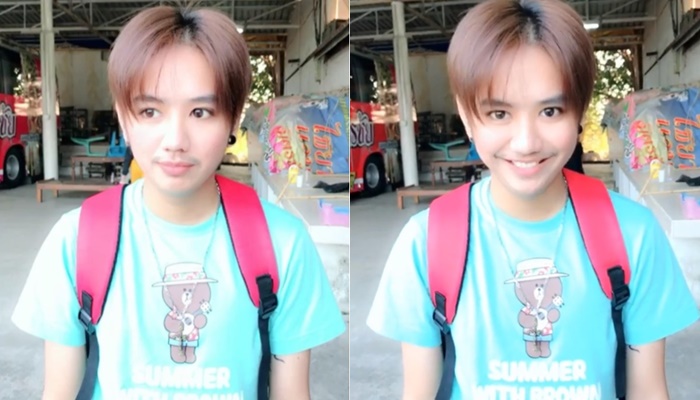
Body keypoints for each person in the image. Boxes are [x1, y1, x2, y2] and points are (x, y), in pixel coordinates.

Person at [366, 0, 699, 399]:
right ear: (467, 116)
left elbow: (649, 391)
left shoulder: (634, 235)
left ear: (580, 112)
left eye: (551, 110)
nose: (526, 143)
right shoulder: (425, 243)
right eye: (499, 114)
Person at [12, 6, 345, 399]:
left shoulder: (282, 244)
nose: (175, 140)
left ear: (233, 119)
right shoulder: (75, 241)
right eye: (150, 111)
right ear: (123, 117)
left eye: (200, 112)